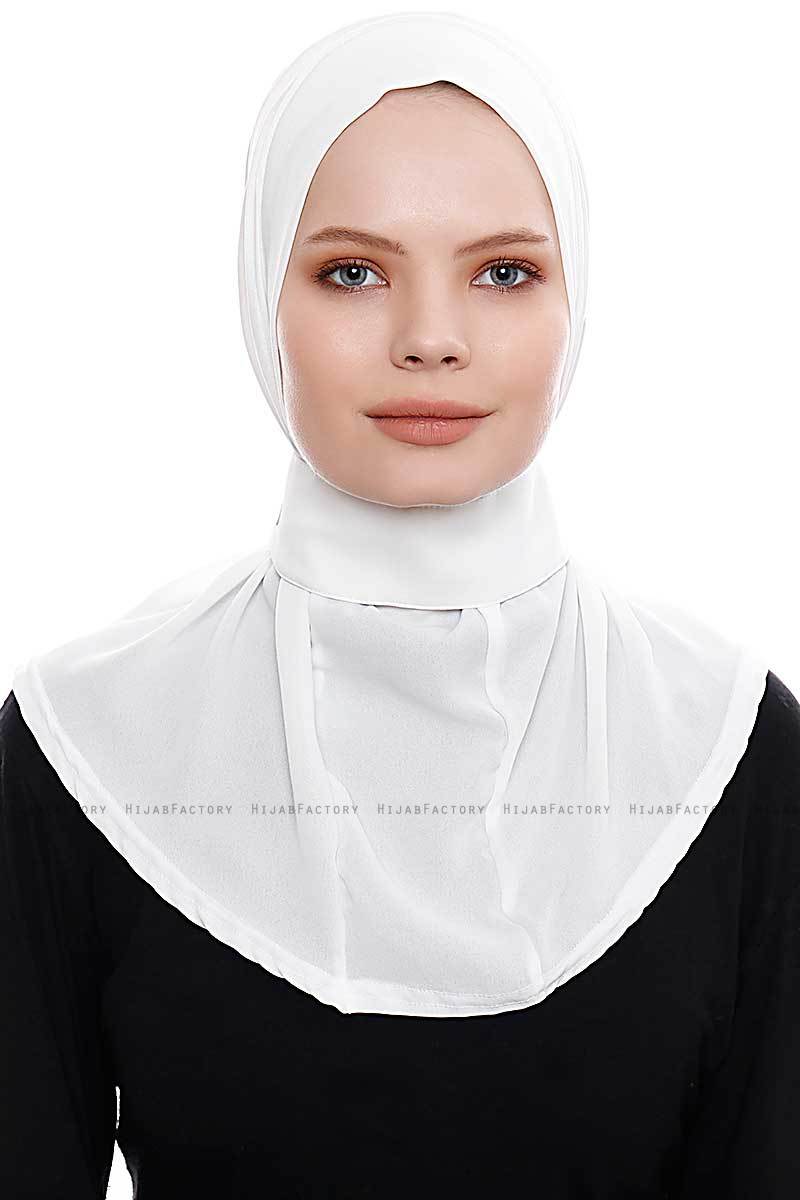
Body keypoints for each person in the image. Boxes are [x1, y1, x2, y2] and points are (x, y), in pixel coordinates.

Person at [2, 11, 798, 1198]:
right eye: (353, 272)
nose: (429, 339)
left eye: (503, 272)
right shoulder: (88, 742)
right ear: (262, 293)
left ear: (574, 299)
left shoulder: (725, 743)